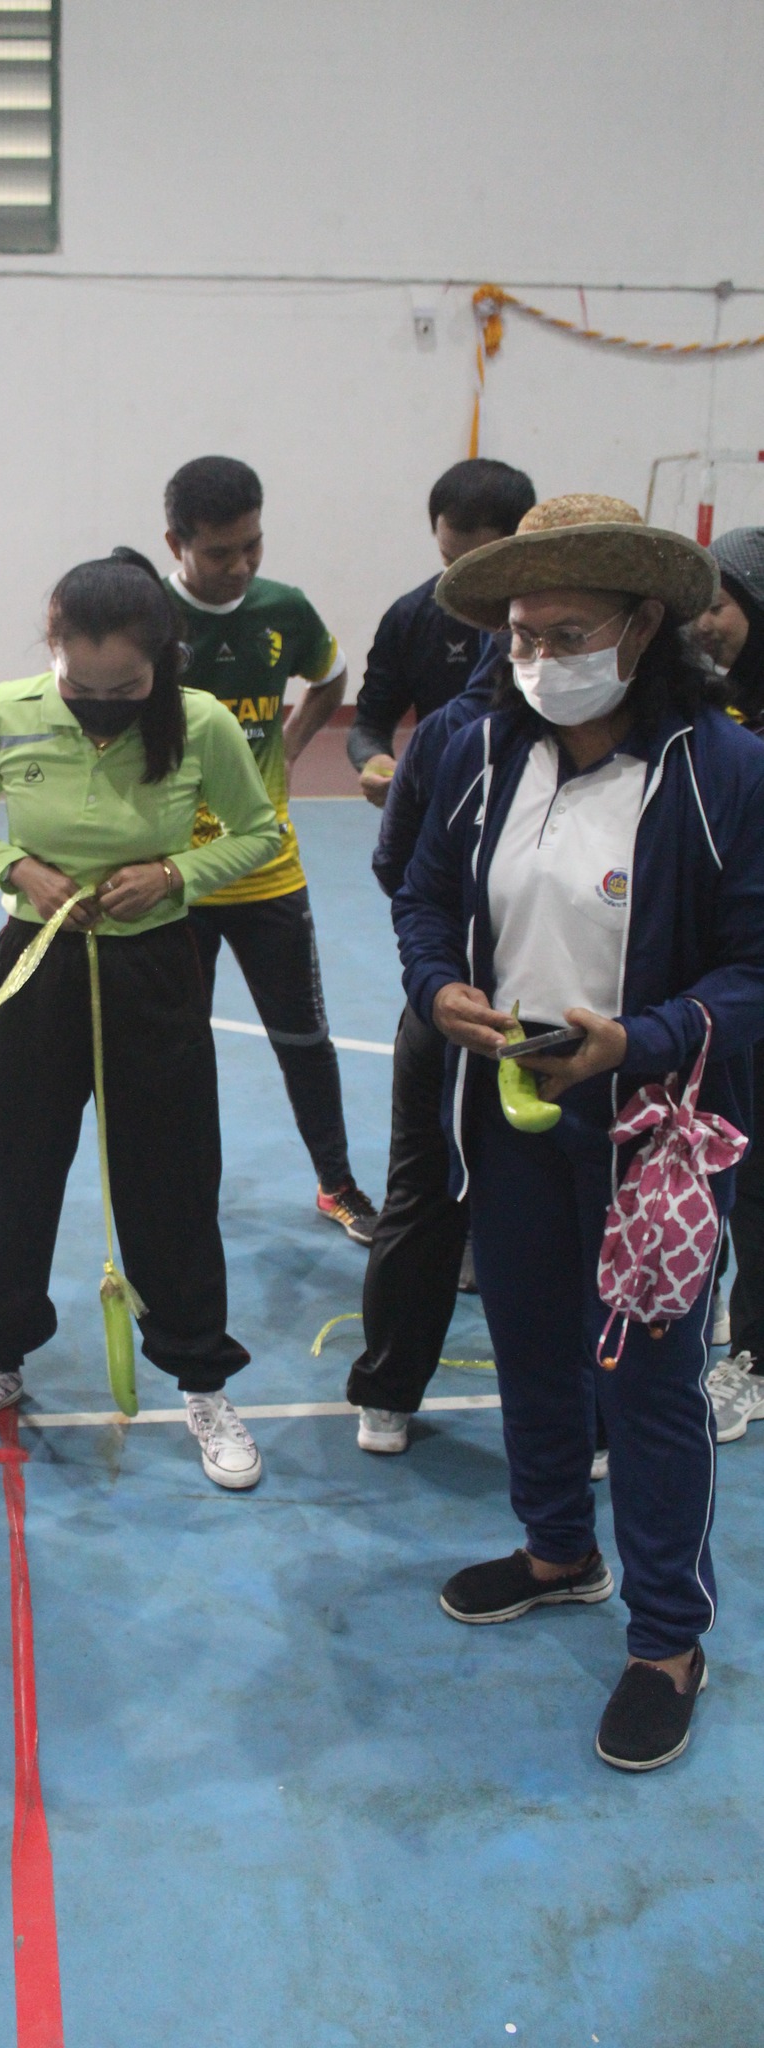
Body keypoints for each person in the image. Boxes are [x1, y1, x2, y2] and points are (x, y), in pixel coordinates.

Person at [394, 492, 764, 1772]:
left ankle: (667, 1637)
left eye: (566, 632)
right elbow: (427, 895)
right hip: (511, 1117)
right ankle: (559, 1548)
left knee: (652, 1389)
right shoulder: (475, 747)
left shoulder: (723, 773)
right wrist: (438, 986)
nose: (538, 658)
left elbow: (754, 971)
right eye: (520, 634)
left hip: (653, 1135)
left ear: (643, 622)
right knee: (532, 1341)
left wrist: (641, 1040)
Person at [0, 549, 280, 1487]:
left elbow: (259, 832)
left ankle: (202, 1379)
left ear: (162, 659)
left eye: (123, 686)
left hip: (154, 970)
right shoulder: (4, 712)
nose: (100, 702)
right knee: (14, 1168)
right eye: (79, 684)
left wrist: (173, 875)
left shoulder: (200, 724)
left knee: (170, 1178)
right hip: (34, 970)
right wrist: (16, 869)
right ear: (52, 651)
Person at [162, 455, 376, 1244]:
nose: (240, 564)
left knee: (303, 1039)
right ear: (175, 543)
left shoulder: (283, 609)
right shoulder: (149, 617)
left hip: (265, 871)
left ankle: (337, 1184)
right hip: (173, 880)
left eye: (252, 545)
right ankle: (186, 1195)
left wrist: (284, 748)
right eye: (220, 552)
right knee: (178, 1051)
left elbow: (330, 675)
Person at [345, 634, 506, 1453]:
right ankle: (388, 1390)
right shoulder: (458, 733)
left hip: (589, 1028)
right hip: (451, 1014)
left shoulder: (673, 747)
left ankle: (582, 1412)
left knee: (561, 1208)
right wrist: (441, 978)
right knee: (424, 1192)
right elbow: (400, 868)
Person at [350, 458, 536, 807]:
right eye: (449, 561)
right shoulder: (411, 617)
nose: (460, 585)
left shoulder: (552, 621)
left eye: (479, 566)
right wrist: (375, 761)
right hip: (445, 809)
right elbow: (369, 726)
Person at [697, 528, 764, 1442]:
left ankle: (750, 1355)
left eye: (718, 604)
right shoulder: (705, 705)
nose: (702, 623)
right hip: (720, 977)